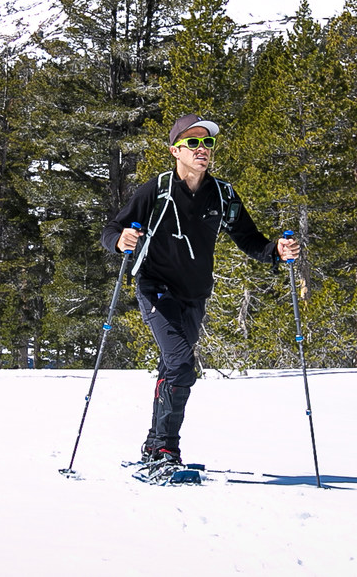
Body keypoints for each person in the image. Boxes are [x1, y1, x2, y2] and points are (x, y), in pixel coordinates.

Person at [101, 113, 301, 471]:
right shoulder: (157, 189)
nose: (202, 149)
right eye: (193, 142)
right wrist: (121, 240)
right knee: (180, 363)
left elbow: (250, 239)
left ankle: (153, 445)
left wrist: (276, 251)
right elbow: (112, 228)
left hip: (195, 294)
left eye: (207, 142)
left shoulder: (222, 194)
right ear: (175, 150)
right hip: (156, 287)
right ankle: (166, 449)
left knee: (172, 367)